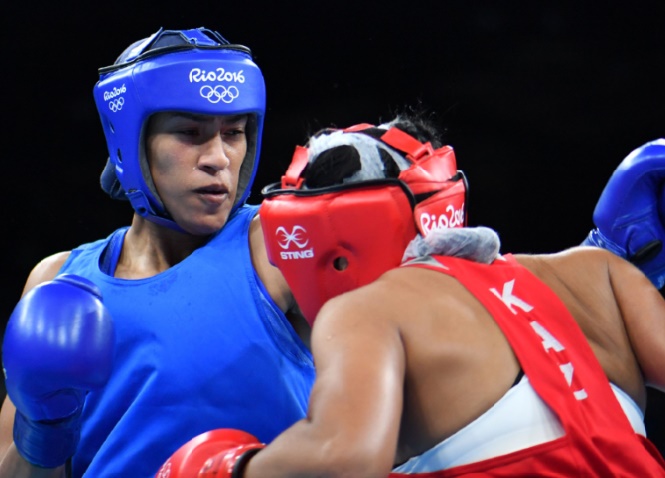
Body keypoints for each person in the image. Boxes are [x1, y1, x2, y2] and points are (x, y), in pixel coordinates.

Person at [156, 113, 665, 477]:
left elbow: (345, 460)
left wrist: (231, 468)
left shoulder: (365, 312)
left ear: (325, 245)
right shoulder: (599, 273)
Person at [0, 27, 315, 478]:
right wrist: (44, 425)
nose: (219, 158)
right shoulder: (58, 280)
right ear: (130, 144)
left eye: (234, 132)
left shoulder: (277, 241)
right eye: (190, 132)